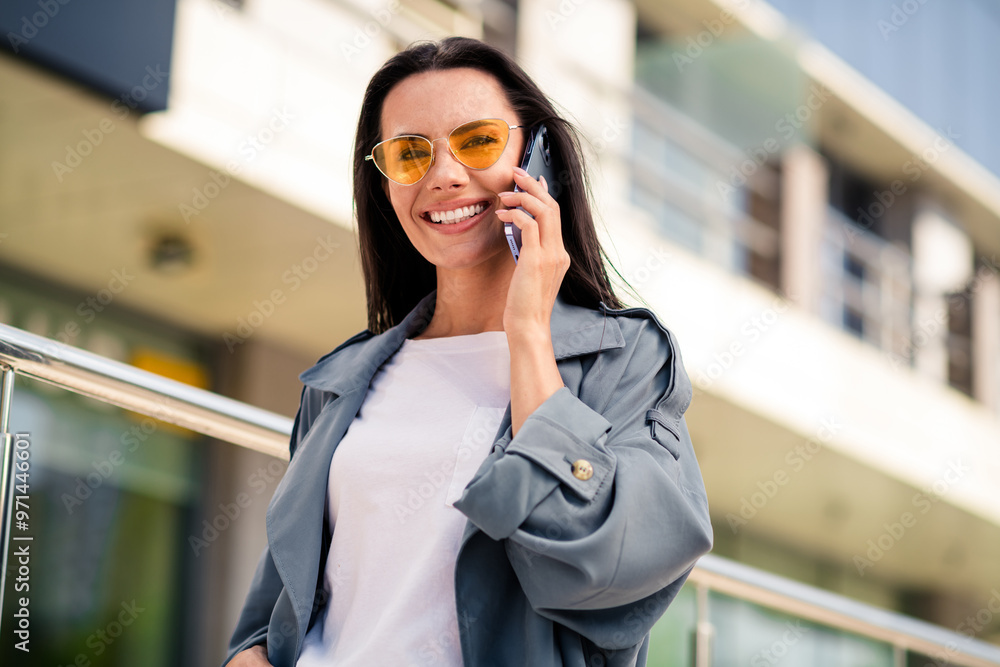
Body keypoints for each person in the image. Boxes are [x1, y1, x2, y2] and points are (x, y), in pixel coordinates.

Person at [225, 36, 712, 667]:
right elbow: (273, 613)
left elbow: (598, 570)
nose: (444, 175)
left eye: (477, 141)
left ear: (537, 159)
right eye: (409, 154)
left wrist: (530, 329)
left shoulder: (624, 361)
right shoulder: (341, 380)